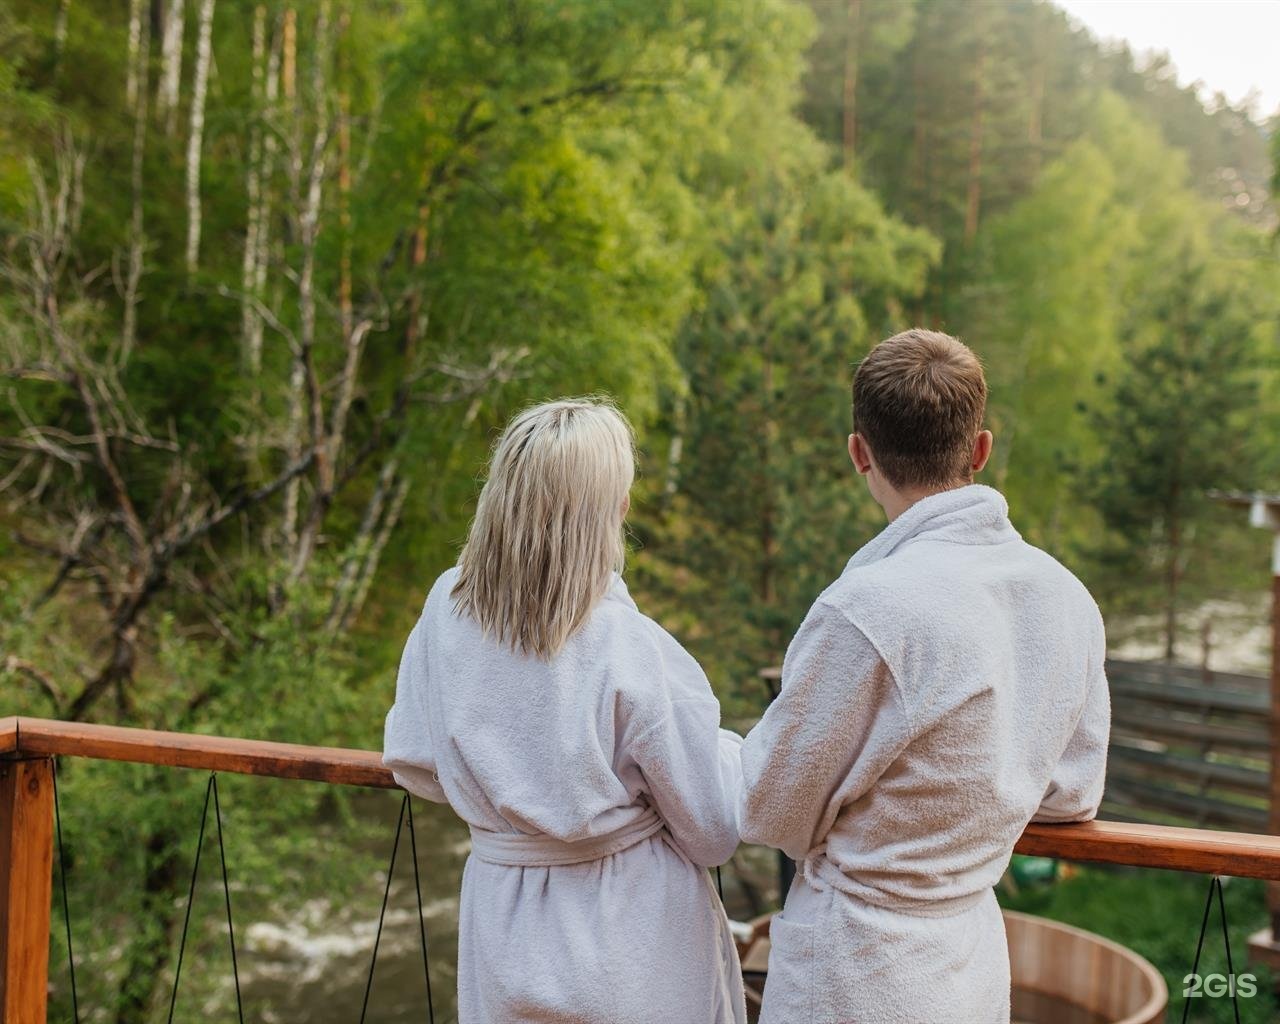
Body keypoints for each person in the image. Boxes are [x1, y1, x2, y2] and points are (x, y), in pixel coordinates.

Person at [739, 330, 1110, 1024]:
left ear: (859, 452)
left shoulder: (867, 610)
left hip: (856, 970)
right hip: (968, 961)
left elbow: (771, 809)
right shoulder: (1066, 599)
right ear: (980, 449)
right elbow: (1070, 794)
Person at [382, 398, 745, 1024]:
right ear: (611, 513)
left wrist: (511, 795)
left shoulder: (448, 607)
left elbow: (415, 763)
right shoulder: (630, 649)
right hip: (628, 941)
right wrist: (730, 754)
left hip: (502, 925)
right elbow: (713, 832)